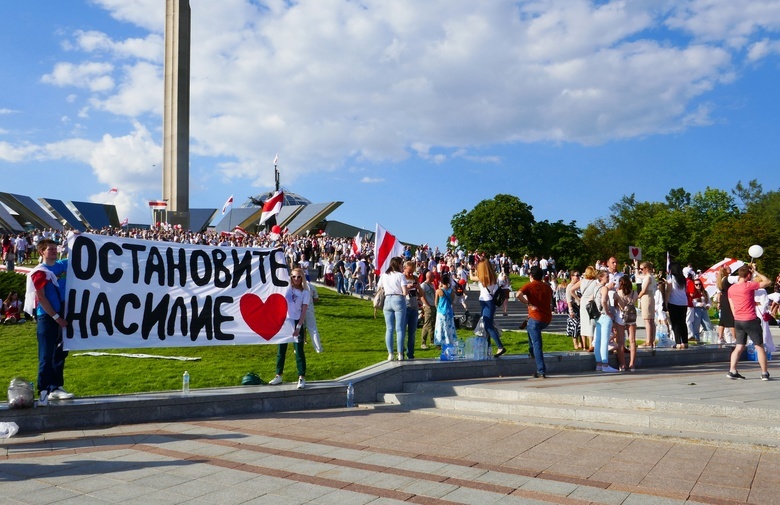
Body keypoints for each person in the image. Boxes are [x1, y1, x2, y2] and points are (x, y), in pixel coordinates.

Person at [25, 238, 74, 405]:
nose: (54, 251)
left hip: (62, 313)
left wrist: (78, 236)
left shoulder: (61, 265)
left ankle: (56, 387)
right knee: (46, 355)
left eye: (55, 248)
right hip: (48, 316)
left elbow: (81, 254)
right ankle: (44, 391)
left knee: (61, 352)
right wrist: (56, 318)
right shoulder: (40, 272)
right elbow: (42, 298)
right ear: (42, 252)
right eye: (50, 249)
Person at [726, 264, 771, 380]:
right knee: (759, 346)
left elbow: (732, 307)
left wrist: (737, 317)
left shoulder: (731, 288)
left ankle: (732, 370)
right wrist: (756, 272)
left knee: (739, 346)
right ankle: (764, 373)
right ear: (749, 275)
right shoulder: (749, 286)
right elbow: (767, 281)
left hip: (738, 320)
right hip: (750, 319)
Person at [269, 267, 310, 389]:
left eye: (298, 276)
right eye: (293, 276)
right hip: (285, 321)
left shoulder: (305, 292)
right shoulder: (287, 288)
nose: (296, 279)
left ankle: (301, 377)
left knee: (299, 351)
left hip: (296, 321)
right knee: (281, 350)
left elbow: (303, 312)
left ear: (302, 278)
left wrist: (298, 327)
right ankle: (278, 375)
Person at [515, 266, 553, 378]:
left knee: (537, 344)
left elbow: (518, 295)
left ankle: (541, 370)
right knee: (530, 330)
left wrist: (528, 303)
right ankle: (531, 352)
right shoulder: (547, 287)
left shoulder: (529, 285)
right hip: (546, 319)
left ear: (531, 275)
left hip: (535, 317)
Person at [470, 256, 506, 357]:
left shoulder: (483, 278)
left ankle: (500, 346)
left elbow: (471, 278)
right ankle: (488, 348)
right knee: (486, 326)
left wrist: (470, 269)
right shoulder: (492, 277)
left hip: (487, 303)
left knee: (488, 326)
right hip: (489, 303)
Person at [378, 257, 408, 361]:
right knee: (399, 329)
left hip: (387, 300)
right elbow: (405, 292)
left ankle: (390, 354)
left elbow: (379, 287)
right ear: (398, 264)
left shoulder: (384, 275)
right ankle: (400, 354)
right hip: (398, 299)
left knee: (389, 329)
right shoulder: (400, 275)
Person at [570, 266, 600, 351]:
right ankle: (591, 343)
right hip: (591, 302)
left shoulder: (581, 281)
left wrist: (578, 298)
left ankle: (584, 345)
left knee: (583, 323)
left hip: (583, 302)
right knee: (591, 322)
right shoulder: (595, 282)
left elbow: (571, 290)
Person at [594, 271, 619, 372]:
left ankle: (599, 364)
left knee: (598, 340)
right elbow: (603, 300)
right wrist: (607, 311)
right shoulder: (604, 288)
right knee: (605, 340)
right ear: (601, 278)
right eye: (606, 277)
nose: (608, 278)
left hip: (598, 316)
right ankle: (605, 365)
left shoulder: (595, 287)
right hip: (604, 316)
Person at [616, 276, 638, 371]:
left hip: (620, 316)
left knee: (621, 341)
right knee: (632, 340)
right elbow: (634, 302)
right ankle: (632, 364)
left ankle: (622, 364)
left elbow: (615, 305)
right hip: (631, 317)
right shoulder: (634, 293)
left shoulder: (618, 293)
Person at [667, 262, 689, 349]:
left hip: (673, 302)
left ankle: (678, 342)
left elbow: (669, 290)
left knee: (675, 323)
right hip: (683, 302)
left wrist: (665, 302)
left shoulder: (671, 277)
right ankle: (685, 342)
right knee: (683, 322)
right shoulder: (683, 278)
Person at [635, 261, 657, 348]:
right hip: (650, 296)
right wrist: (636, 266)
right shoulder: (650, 277)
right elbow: (637, 275)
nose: (641, 270)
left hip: (646, 297)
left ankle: (649, 341)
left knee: (647, 320)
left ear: (647, 268)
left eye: (642, 269)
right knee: (651, 320)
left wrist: (636, 297)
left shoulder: (648, 277)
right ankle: (652, 340)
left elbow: (643, 290)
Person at [433, 272, 457, 346]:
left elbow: (436, 302)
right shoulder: (451, 291)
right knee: (449, 327)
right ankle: (450, 340)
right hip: (448, 311)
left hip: (441, 312)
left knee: (440, 327)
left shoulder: (438, 291)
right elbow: (452, 301)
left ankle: (439, 341)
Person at [403, 260, 420, 360]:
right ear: (404, 269)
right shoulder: (401, 278)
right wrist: (407, 287)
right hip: (404, 306)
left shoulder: (415, 278)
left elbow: (421, 294)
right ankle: (401, 353)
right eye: (409, 271)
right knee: (402, 331)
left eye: (412, 271)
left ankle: (411, 354)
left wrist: (418, 287)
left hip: (414, 307)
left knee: (412, 332)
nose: (410, 273)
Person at [716, 266, 735, 344]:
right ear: (726, 271)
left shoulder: (721, 279)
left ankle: (720, 337)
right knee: (731, 318)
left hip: (723, 299)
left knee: (723, 319)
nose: (730, 269)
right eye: (729, 268)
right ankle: (735, 338)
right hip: (728, 299)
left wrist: (719, 302)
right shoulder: (728, 279)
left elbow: (718, 293)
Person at [566, 271, 583, 350]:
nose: (578, 277)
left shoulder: (579, 285)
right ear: (572, 276)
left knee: (580, 326)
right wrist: (571, 311)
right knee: (575, 326)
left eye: (579, 275)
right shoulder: (570, 286)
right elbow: (569, 300)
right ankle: (575, 343)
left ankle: (581, 343)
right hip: (573, 307)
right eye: (576, 275)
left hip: (579, 308)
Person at [419, 271, 436, 349]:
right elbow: (421, 296)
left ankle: (432, 340)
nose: (434, 277)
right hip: (428, 306)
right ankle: (423, 342)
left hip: (433, 305)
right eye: (433, 276)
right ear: (429, 276)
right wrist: (427, 305)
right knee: (427, 323)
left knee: (432, 323)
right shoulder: (423, 285)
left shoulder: (432, 285)